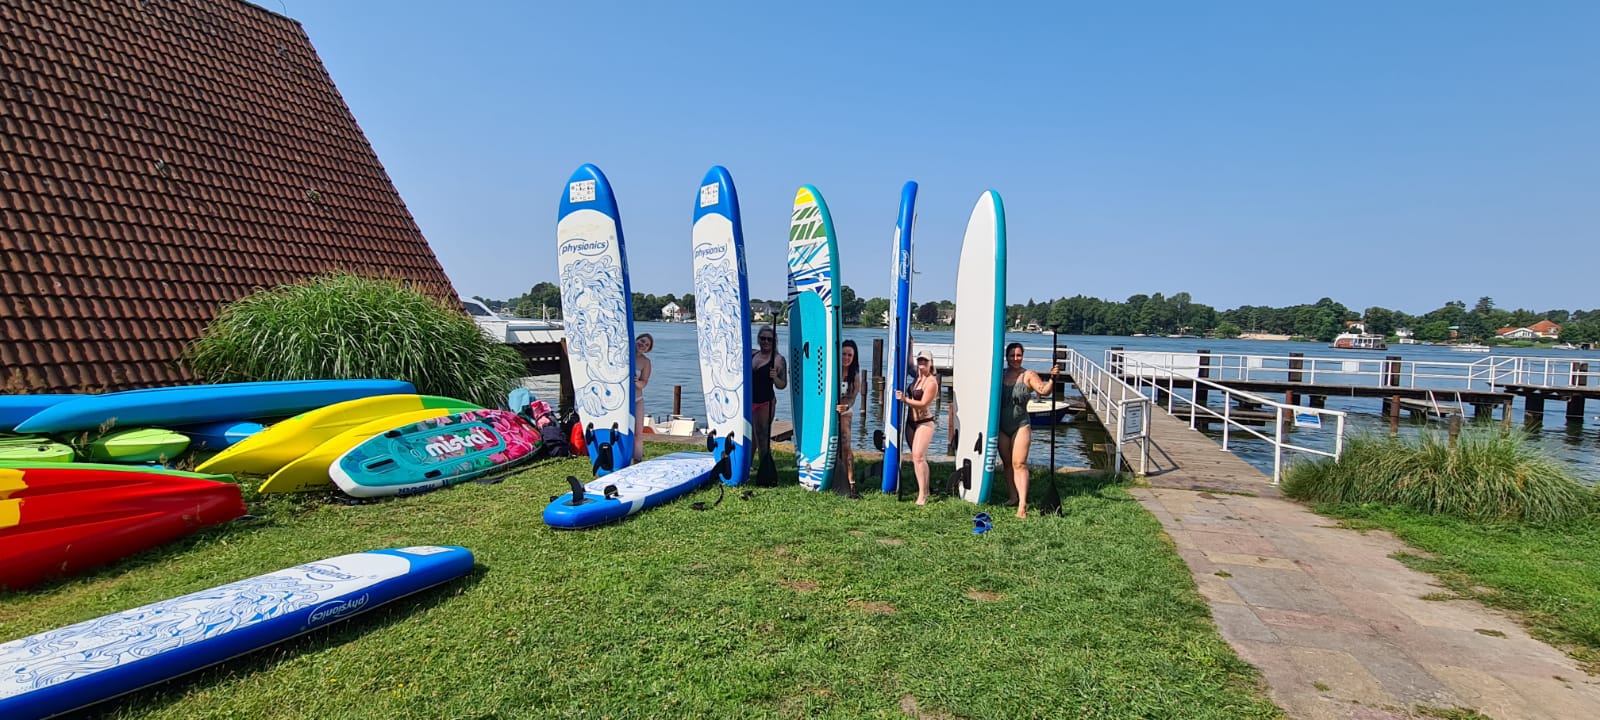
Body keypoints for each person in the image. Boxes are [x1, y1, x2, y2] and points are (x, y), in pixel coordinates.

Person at [998, 342, 1053, 518]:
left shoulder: (1028, 375)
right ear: (1006, 357)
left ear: (1023, 356)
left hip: (1020, 424)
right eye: (1012, 355)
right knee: (1007, 463)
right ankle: (1013, 497)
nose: (1015, 359)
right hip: (1001, 426)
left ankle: (1022, 505)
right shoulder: (1000, 374)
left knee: (1019, 463)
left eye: (1019, 355)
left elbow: (1043, 391)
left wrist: (1052, 379)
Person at [896, 350, 939, 505]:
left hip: (924, 422)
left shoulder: (931, 382)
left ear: (931, 363)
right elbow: (908, 364)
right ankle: (925, 489)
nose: (922, 364)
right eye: (920, 361)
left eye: (925, 362)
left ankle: (922, 495)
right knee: (918, 459)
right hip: (910, 423)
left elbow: (923, 404)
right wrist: (910, 344)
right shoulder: (917, 377)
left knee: (918, 457)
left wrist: (904, 400)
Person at [751, 325, 787, 463]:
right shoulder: (753, 354)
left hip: (765, 402)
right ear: (758, 339)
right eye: (763, 338)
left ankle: (765, 467)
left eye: (769, 339)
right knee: (750, 436)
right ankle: (746, 467)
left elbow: (782, 385)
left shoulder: (778, 360)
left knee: (762, 436)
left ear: (774, 341)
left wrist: (775, 377)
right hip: (749, 401)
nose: (766, 342)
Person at [836, 339, 861, 498]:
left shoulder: (855, 375)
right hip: (831, 410)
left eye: (849, 355)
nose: (846, 358)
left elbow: (853, 396)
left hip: (845, 411)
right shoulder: (834, 370)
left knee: (845, 445)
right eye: (844, 354)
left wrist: (845, 406)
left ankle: (850, 480)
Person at [632, 333, 653, 463]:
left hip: (637, 400)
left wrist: (636, 382)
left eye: (647, 345)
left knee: (638, 433)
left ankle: (637, 460)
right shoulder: (625, 355)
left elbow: (644, 382)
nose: (643, 345)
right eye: (642, 341)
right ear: (636, 339)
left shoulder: (646, 362)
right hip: (621, 401)